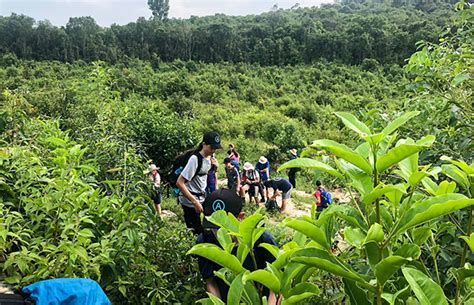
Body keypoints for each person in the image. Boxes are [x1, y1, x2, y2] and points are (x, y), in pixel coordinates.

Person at [196, 189, 279, 303]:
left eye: (224, 226)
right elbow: (210, 282)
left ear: (241, 217)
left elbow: (275, 286)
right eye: (213, 227)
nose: (218, 232)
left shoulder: (262, 239)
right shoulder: (205, 242)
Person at [176, 131, 222, 235]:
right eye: (211, 148)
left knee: (211, 227)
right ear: (204, 144)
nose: (213, 150)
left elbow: (203, 176)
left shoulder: (210, 157)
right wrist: (194, 202)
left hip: (202, 197)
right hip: (190, 200)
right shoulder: (195, 159)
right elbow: (180, 182)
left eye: (215, 148)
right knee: (197, 233)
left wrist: (214, 168)